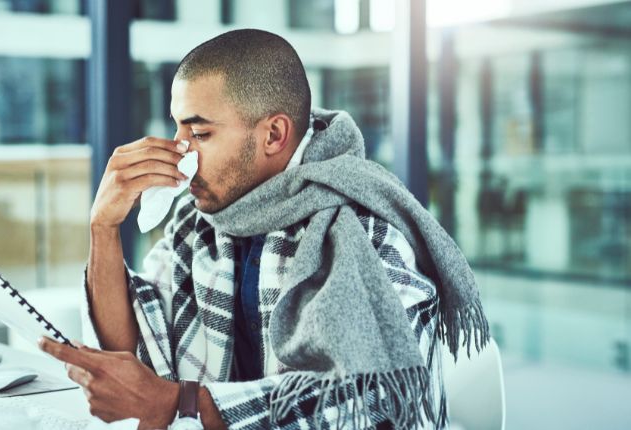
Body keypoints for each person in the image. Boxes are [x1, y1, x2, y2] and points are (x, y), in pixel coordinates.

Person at [39, 29, 490, 430]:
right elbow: (134, 349)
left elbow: (365, 399)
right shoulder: (196, 226)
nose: (178, 151)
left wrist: (183, 403)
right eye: (177, 128)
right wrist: (104, 226)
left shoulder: (362, 232)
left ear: (273, 135)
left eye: (200, 133)